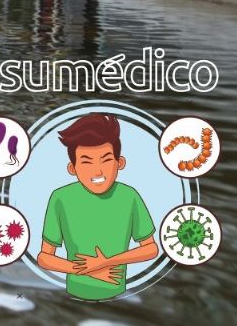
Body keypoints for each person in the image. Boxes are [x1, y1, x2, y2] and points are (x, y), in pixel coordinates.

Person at [36, 113, 158, 301]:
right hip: (73, 293)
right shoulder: (60, 198)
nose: (98, 171)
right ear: (72, 168)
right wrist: (89, 271)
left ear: (120, 163)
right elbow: (44, 257)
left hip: (120, 294)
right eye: (86, 162)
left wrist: (108, 261)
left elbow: (151, 249)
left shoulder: (129, 196)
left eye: (106, 159)